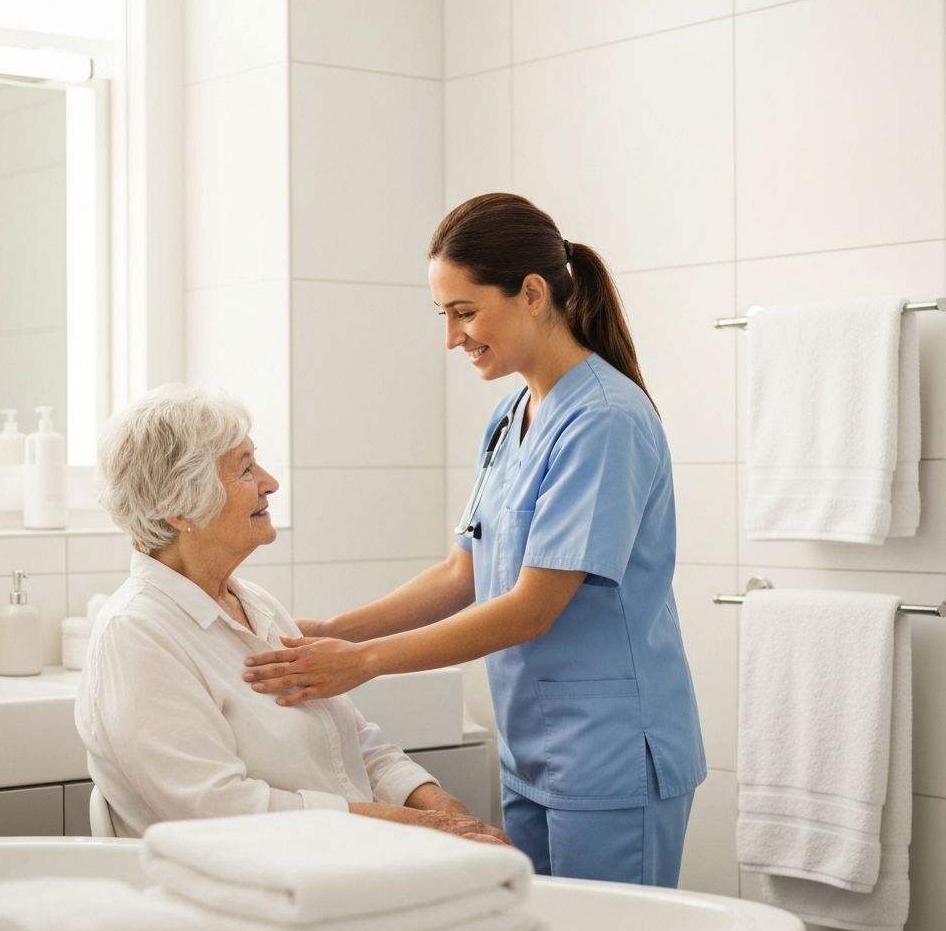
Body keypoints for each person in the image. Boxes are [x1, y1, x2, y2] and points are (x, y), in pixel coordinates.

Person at [242, 193, 707, 886]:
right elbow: (463, 572)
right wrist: (330, 632)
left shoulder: (604, 421)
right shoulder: (511, 414)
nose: (453, 337)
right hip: (534, 753)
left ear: (532, 294)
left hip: (610, 755)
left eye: (465, 312)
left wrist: (363, 660)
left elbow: (531, 608)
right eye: (445, 316)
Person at [75, 383, 506, 844]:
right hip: (250, 886)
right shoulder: (137, 634)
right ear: (179, 507)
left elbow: (357, 744)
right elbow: (219, 810)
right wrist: (417, 827)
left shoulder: (255, 605)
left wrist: (448, 814)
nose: (270, 482)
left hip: (342, 859)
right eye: (244, 470)